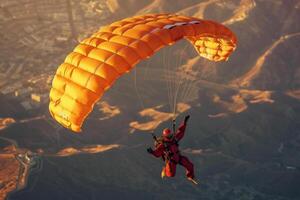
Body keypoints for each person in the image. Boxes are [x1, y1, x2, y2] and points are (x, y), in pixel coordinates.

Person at [147, 115, 198, 184]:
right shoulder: (163, 144)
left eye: (170, 135)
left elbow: (181, 131)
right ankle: (165, 170)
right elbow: (158, 153)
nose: (170, 136)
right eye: (168, 136)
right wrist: (152, 152)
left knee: (190, 165)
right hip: (171, 161)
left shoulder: (174, 139)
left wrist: (184, 122)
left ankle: (190, 177)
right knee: (171, 175)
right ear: (165, 136)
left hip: (178, 157)